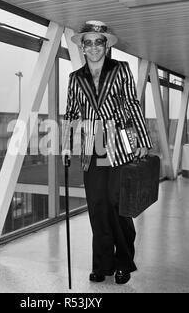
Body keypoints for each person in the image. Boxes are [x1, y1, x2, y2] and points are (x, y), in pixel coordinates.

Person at [62, 20, 153, 285]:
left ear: (106, 45)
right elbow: (70, 114)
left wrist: (143, 139)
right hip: (92, 145)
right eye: (87, 42)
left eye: (98, 42)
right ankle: (103, 264)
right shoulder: (75, 78)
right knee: (98, 208)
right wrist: (66, 145)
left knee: (118, 205)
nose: (92, 47)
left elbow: (132, 105)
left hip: (119, 145)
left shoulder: (121, 70)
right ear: (82, 46)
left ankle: (124, 261)